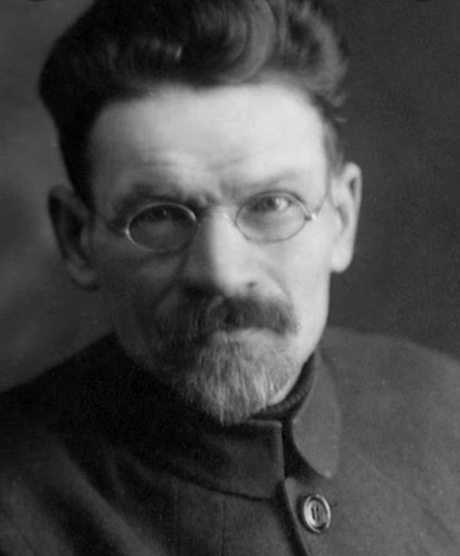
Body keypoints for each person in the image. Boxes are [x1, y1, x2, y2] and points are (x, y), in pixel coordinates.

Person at [1, 0, 460, 553]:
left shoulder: (446, 408)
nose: (222, 273)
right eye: (160, 216)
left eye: (272, 204)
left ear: (342, 218)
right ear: (77, 239)